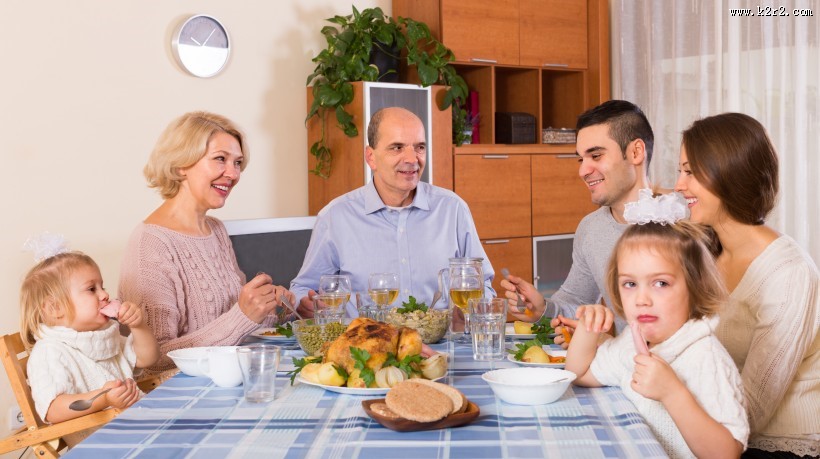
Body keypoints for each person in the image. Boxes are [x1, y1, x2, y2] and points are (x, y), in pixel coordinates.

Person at [675, 112, 819, 458]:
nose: (679, 185)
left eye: (690, 172)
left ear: (729, 172)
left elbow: (750, 410)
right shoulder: (710, 252)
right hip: (723, 433)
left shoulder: (788, 273)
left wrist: (671, 394)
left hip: (781, 445)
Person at [119, 111, 298, 374]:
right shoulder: (152, 243)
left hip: (229, 378)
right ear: (181, 164)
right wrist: (244, 315)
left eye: (237, 163)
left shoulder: (215, 230)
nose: (233, 174)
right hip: (181, 394)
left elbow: (233, 320)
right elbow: (153, 360)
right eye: (220, 160)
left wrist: (279, 308)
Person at [566, 210, 748, 458]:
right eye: (630, 284)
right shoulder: (632, 340)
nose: (641, 299)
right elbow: (579, 375)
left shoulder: (705, 357)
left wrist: (672, 392)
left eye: (660, 283)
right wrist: (589, 329)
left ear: (695, 287)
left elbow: (727, 453)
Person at [291, 107, 494, 317]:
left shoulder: (453, 209)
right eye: (397, 147)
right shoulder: (336, 217)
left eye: (419, 147)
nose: (412, 159)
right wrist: (305, 303)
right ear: (371, 157)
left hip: (442, 346)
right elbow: (302, 290)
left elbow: (484, 285)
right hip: (368, 345)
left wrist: (473, 311)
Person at [501, 100, 657, 335]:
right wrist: (542, 308)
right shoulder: (591, 228)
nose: (583, 170)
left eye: (596, 155)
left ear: (635, 152)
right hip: (618, 365)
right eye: (581, 159)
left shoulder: (681, 227)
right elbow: (577, 301)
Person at [20, 243, 160, 429]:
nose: (105, 294)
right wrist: (103, 399)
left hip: (134, 422)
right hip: (98, 437)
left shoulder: (101, 336)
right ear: (55, 308)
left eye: (102, 286)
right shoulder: (49, 351)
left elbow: (147, 358)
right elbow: (53, 409)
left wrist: (138, 326)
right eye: (91, 289)